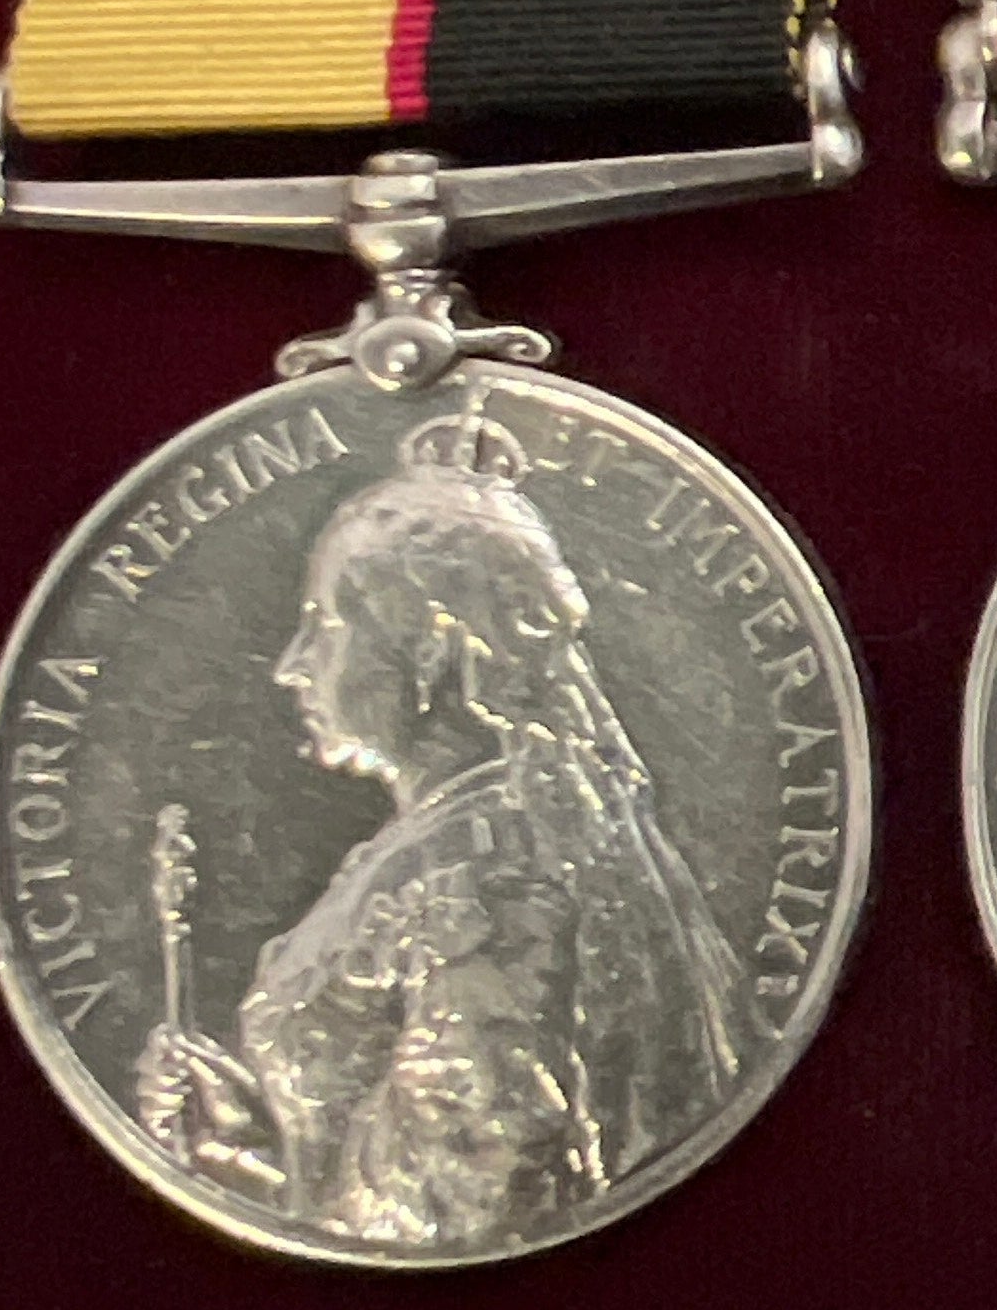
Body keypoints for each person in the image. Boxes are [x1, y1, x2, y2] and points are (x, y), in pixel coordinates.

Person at [134, 412, 743, 1248]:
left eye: (326, 623)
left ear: (428, 651)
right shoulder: (453, 846)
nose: (292, 662)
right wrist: (250, 1154)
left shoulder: (482, 876)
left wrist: (269, 1189)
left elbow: (480, 1201)